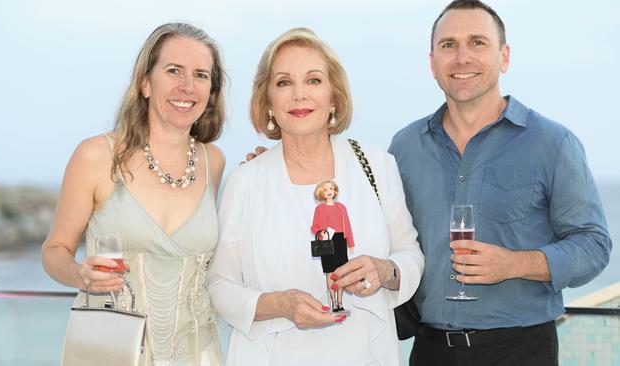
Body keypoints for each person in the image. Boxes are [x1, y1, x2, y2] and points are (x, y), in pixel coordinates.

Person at [387, 1, 612, 365]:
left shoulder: (553, 143)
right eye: (449, 45)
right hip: (429, 351)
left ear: (504, 57)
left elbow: (594, 245)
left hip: (522, 351)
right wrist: (274, 166)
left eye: (477, 42)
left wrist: (515, 264)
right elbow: (371, 225)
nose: (462, 58)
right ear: (432, 63)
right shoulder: (404, 147)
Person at [208, 28, 424, 366]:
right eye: (283, 82)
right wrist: (280, 305)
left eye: (313, 80)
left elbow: (410, 255)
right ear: (268, 102)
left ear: (334, 96)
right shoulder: (245, 180)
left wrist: (384, 271)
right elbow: (219, 286)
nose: (298, 95)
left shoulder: (376, 164)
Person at [41, 23, 227, 365]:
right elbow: (54, 251)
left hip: (197, 354)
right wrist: (80, 274)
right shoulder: (96, 156)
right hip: (109, 353)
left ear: (211, 90)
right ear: (145, 82)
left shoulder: (212, 161)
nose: (187, 86)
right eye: (173, 71)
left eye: (201, 75)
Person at [310, 179, 355, 313]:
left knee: (340, 273)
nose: (329, 192)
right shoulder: (319, 209)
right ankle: (333, 302)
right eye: (325, 189)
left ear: (335, 191)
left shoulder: (341, 207)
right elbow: (314, 227)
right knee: (330, 272)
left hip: (340, 240)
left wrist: (351, 243)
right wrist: (320, 234)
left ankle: (340, 302)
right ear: (321, 193)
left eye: (331, 188)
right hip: (327, 241)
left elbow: (348, 225)